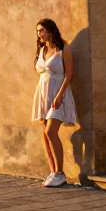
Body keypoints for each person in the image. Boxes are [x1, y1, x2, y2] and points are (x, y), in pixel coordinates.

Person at [32, 18, 77, 187]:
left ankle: (60, 173)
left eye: (42, 30)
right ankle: (53, 171)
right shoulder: (41, 49)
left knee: (51, 131)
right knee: (45, 134)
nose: (39, 34)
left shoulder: (63, 47)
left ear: (51, 31)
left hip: (59, 92)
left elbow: (69, 74)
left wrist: (59, 96)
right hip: (43, 92)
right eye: (38, 31)